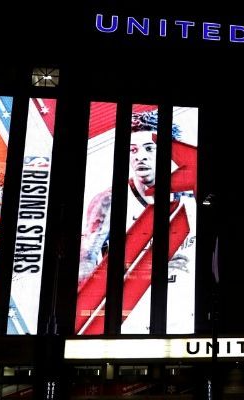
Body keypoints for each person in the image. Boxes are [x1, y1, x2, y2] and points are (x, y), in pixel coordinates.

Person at [76, 109, 197, 334]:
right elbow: (85, 271)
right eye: (133, 150)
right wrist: (146, 268)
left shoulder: (192, 198)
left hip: (185, 318)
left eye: (149, 148)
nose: (140, 156)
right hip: (130, 320)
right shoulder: (109, 202)